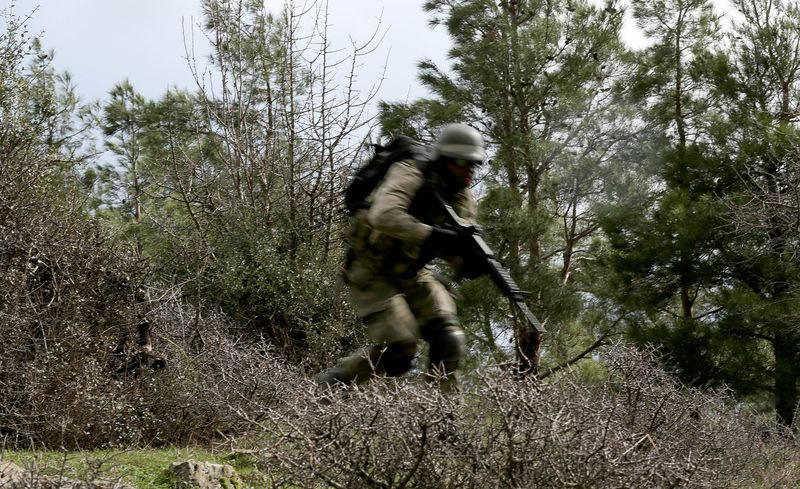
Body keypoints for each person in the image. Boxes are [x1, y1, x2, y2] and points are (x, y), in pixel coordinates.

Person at [315, 123, 487, 393]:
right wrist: (432, 235)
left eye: (473, 166)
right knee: (400, 350)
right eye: (463, 165)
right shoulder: (409, 171)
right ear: (446, 160)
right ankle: (331, 387)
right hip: (372, 272)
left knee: (449, 339)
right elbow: (382, 215)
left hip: (416, 274)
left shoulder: (461, 197)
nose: (469, 173)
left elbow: (454, 243)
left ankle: (442, 420)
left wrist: (468, 261)